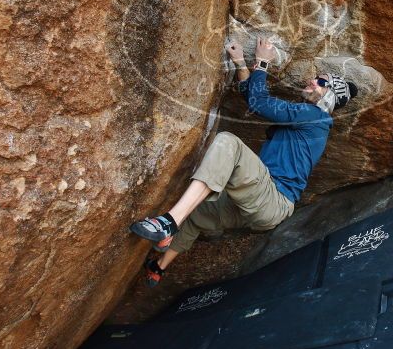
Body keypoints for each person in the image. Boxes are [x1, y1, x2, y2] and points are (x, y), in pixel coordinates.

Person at [128, 37, 358, 286]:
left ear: (330, 96)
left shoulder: (315, 116)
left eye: (321, 82)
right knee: (197, 214)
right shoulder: (310, 121)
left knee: (229, 143)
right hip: (261, 207)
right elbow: (253, 96)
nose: (312, 81)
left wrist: (262, 63)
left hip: (271, 198)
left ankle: (168, 223)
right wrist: (240, 63)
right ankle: (159, 267)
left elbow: (259, 103)